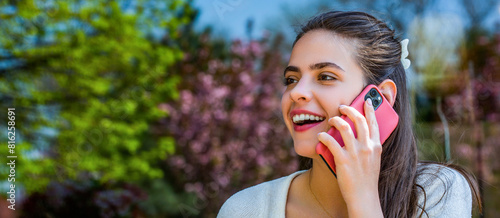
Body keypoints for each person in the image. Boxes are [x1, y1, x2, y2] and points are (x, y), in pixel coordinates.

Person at [217, 11, 481, 218]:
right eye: (291, 78)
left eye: (325, 76)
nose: (297, 92)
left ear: (382, 98)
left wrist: (363, 199)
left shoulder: (437, 192)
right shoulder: (245, 209)